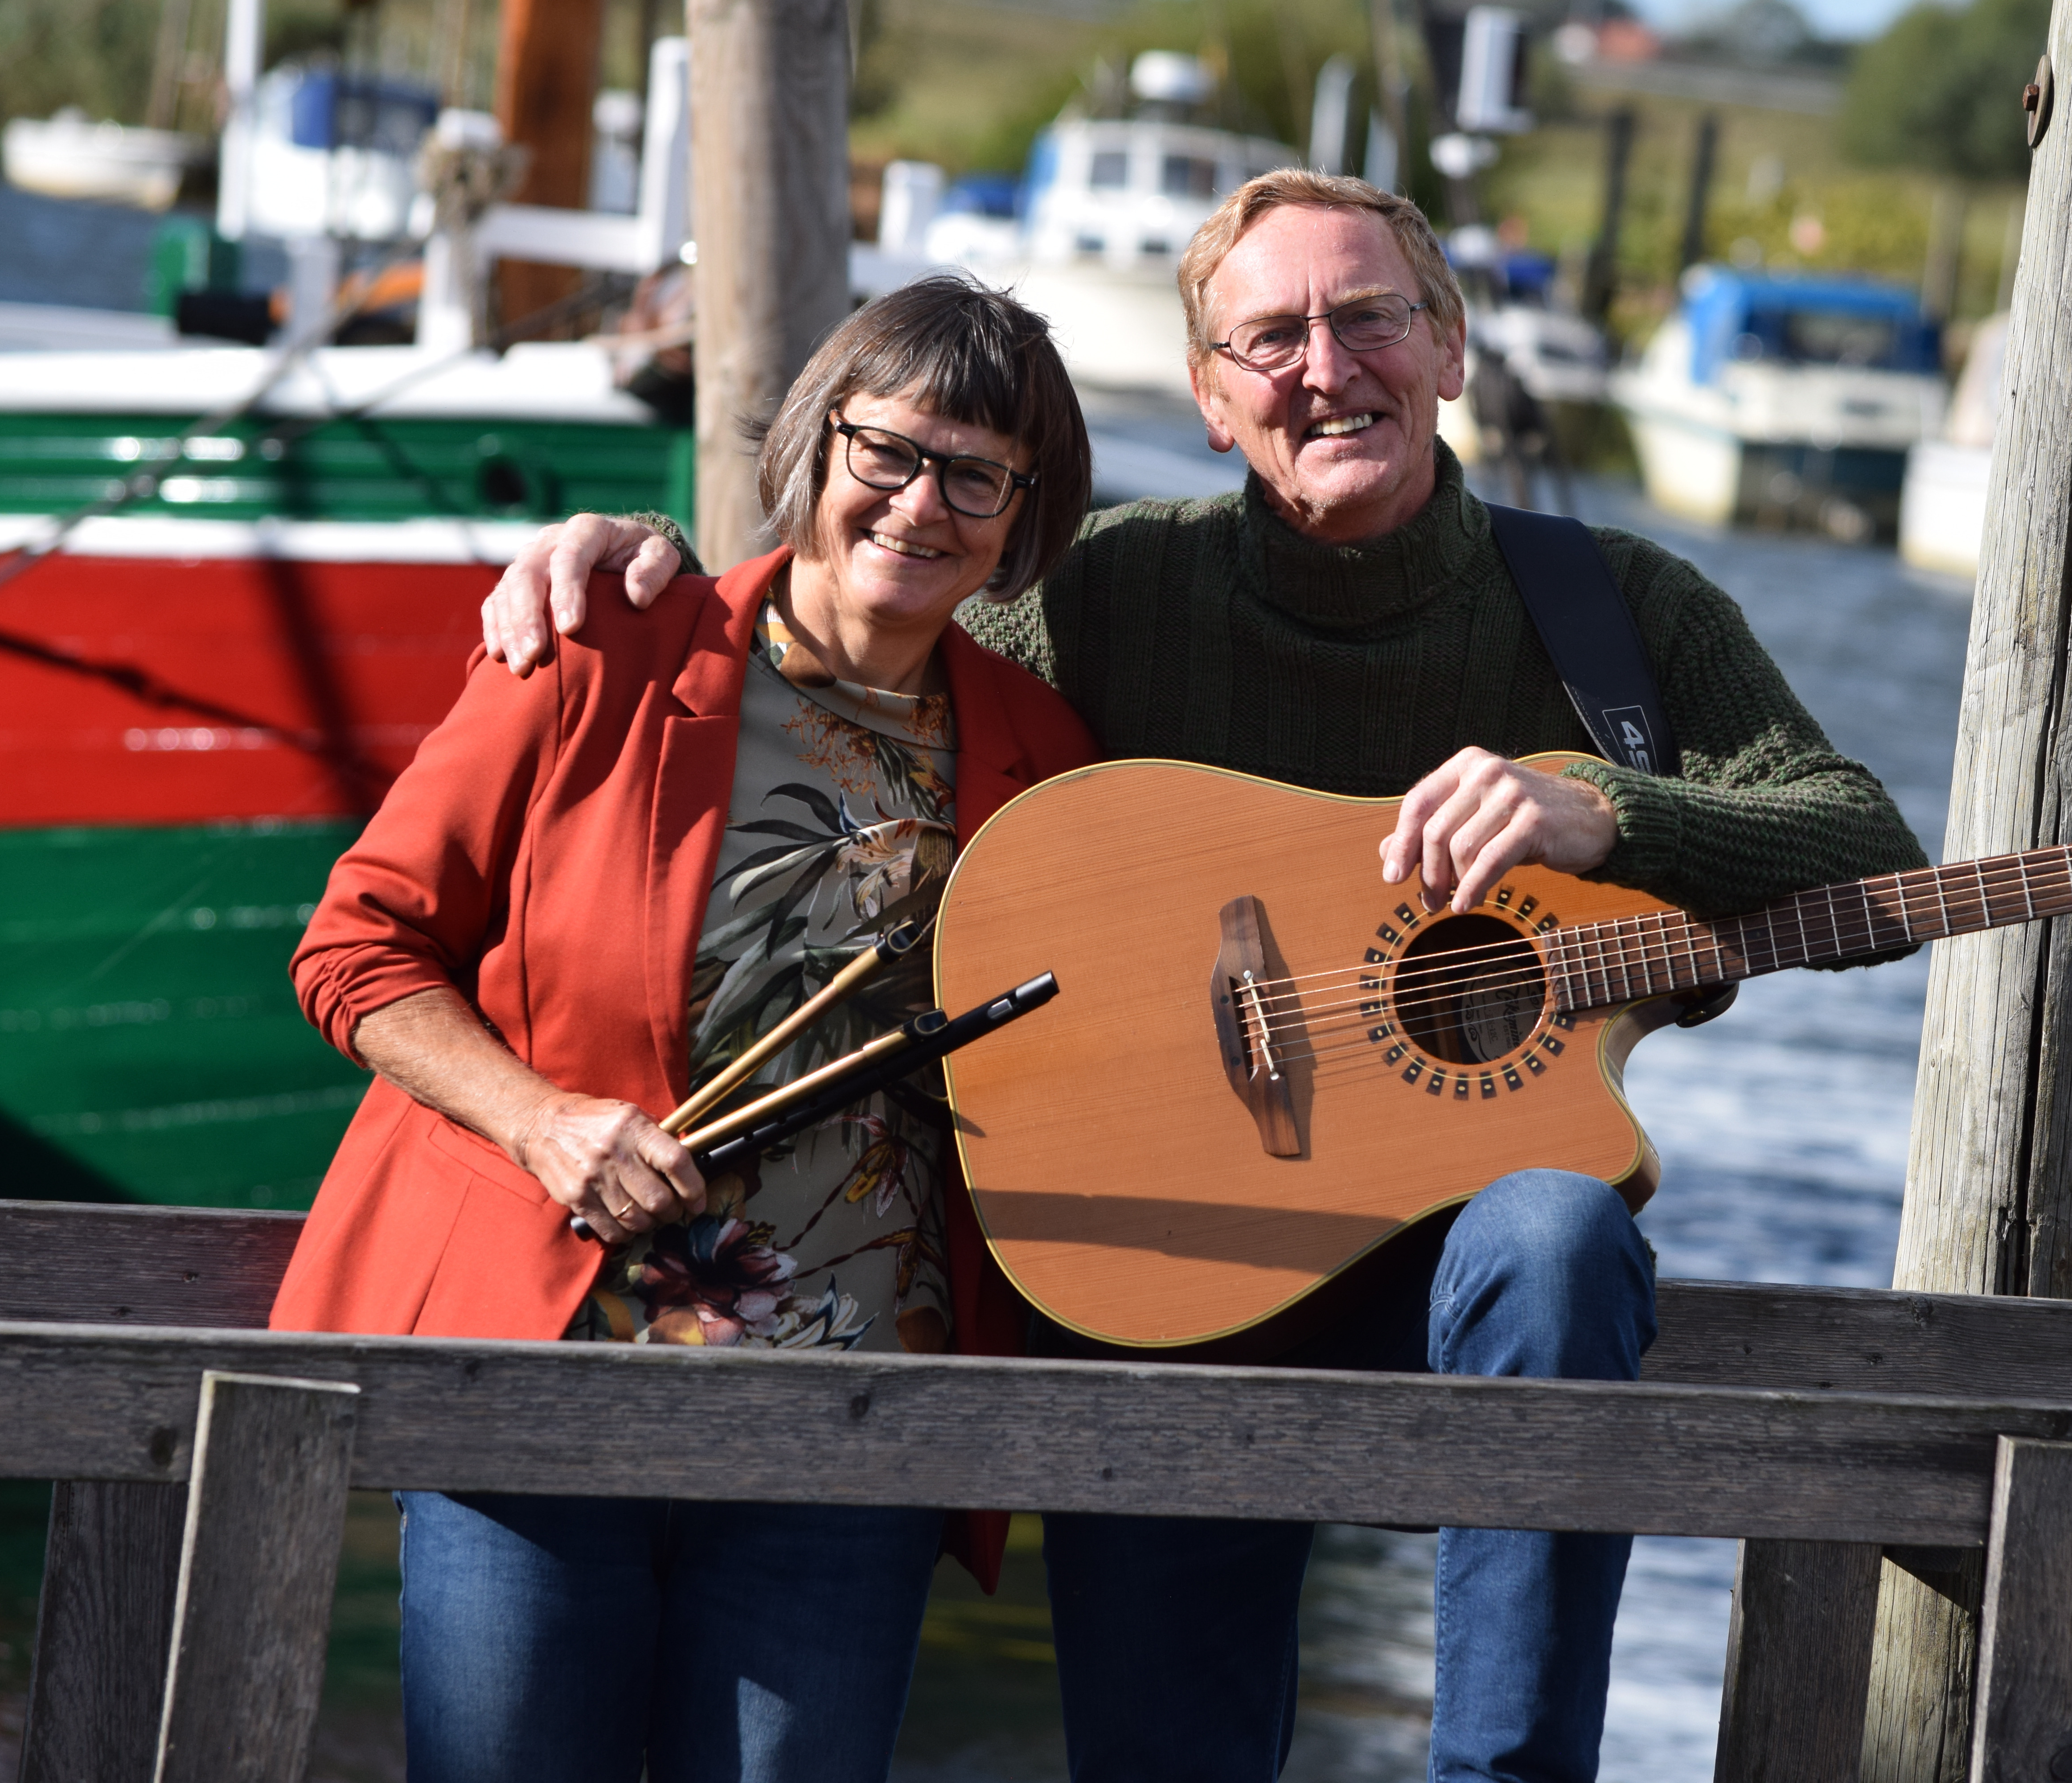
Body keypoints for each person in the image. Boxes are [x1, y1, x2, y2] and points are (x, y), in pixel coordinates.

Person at [482, 173, 1930, 1783]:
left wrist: (1614, 813)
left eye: (1370, 317)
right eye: (1273, 338)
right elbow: (853, 647)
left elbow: (1871, 856)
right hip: (1167, 1262)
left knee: (1561, 1233)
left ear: (1450, 347)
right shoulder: (1107, 593)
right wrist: (651, 577)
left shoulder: (1614, 612)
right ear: (1210, 399)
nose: (1329, 367)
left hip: (1452, 1268)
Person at [269, 275, 1100, 1783]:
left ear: (1022, 515)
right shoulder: (604, 645)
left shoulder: (1044, 756)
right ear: (817, 441)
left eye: (978, 476)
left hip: (854, 1427)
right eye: (888, 451)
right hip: (544, 1382)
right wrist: (540, 1120)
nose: (922, 504)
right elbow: (358, 948)